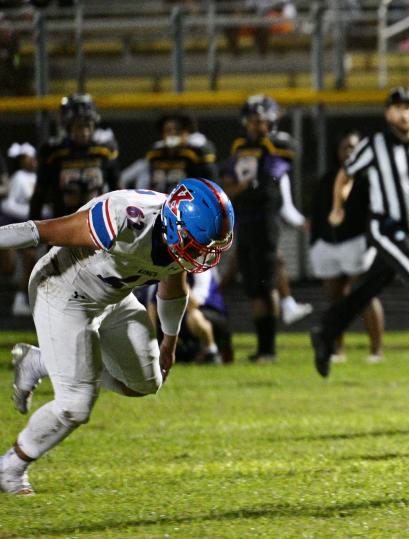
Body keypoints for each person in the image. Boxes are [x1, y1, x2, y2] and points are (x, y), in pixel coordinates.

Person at [0, 179, 235, 495]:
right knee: (75, 405)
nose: (203, 257)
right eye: (197, 246)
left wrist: (169, 342)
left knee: (145, 383)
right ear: (174, 225)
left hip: (113, 296)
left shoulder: (174, 229)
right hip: (62, 292)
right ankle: (10, 469)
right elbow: (39, 231)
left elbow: (173, 285)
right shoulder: (124, 218)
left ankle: (41, 361)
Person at [311, 86, 409, 378]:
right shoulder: (375, 145)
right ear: (387, 113)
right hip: (385, 228)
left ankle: (325, 332)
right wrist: (337, 206)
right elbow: (346, 173)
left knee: (367, 289)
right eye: (397, 107)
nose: (404, 113)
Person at [221, 95, 308, 362]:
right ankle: (263, 347)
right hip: (244, 220)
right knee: (253, 286)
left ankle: (269, 348)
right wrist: (240, 186)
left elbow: (285, 159)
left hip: (265, 221)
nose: (257, 126)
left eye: (262, 120)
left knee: (266, 283)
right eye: (253, 120)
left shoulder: (276, 144)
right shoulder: (240, 146)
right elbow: (228, 181)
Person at [309, 130, 385, 364]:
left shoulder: (371, 179)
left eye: (354, 147)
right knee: (336, 299)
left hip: (357, 243)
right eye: (345, 147)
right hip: (329, 245)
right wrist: (316, 241)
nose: (349, 152)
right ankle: (338, 350)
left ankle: (376, 350)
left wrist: (371, 241)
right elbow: (318, 213)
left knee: (363, 295)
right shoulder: (328, 178)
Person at [29, 94, 119, 221]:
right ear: (68, 126)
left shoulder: (104, 150)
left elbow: (117, 189)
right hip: (63, 221)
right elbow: (40, 194)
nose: (84, 132)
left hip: (97, 223)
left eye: (87, 126)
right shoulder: (54, 152)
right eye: (79, 126)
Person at [2, 142, 38, 316]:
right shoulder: (18, 177)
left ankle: (22, 298)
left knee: (31, 259)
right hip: (16, 226)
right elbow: (8, 205)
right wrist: (30, 213)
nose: (34, 161)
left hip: (31, 227)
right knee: (12, 265)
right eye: (30, 158)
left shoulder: (38, 177)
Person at [145, 113, 218, 193]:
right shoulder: (155, 153)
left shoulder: (193, 153)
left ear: (186, 132)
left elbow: (209, 181)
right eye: (168, 130)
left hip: (185, 200)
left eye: (177, 131)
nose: (172, 134)